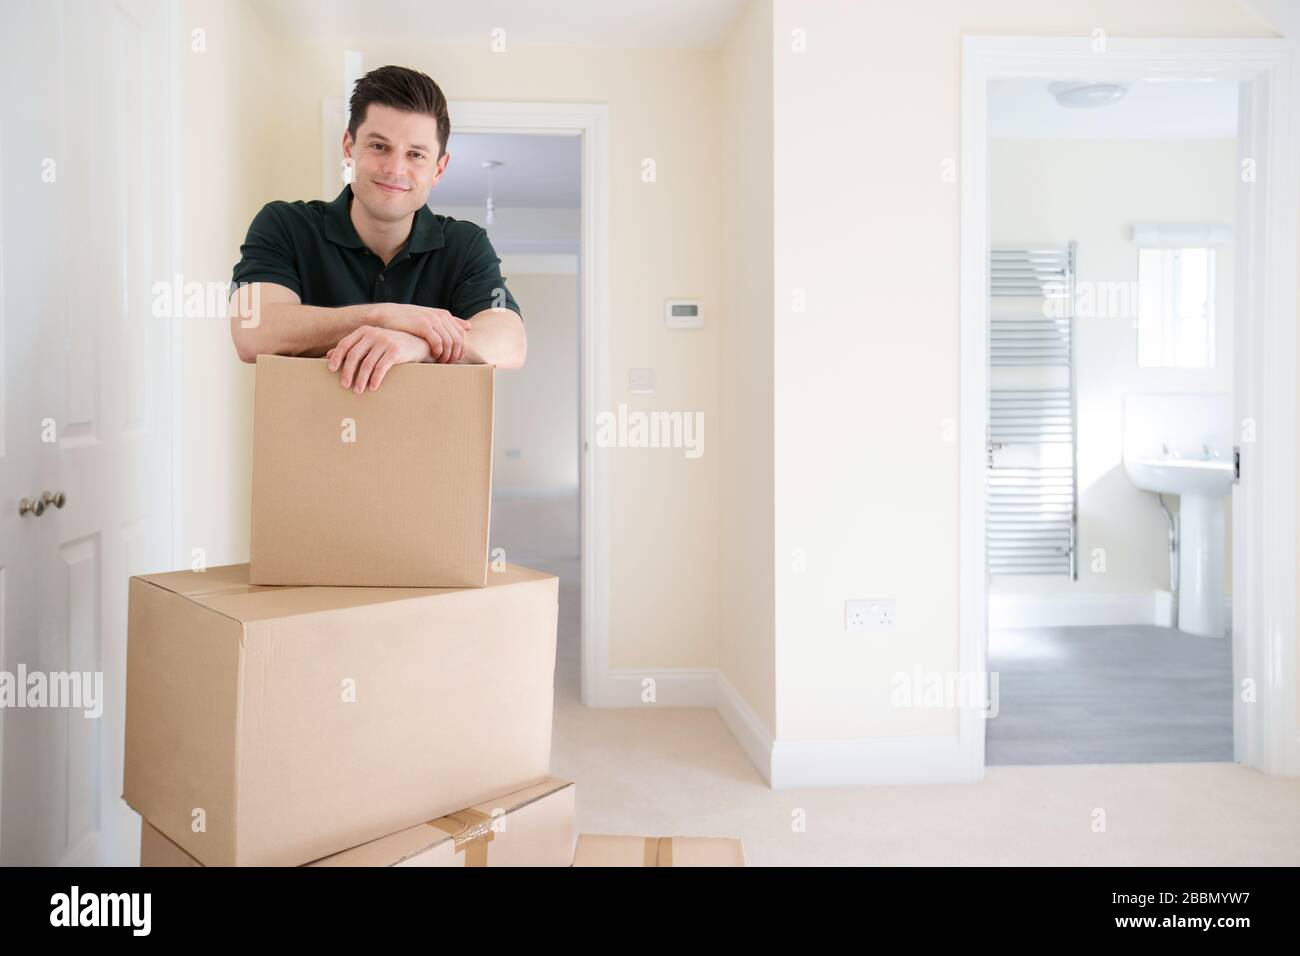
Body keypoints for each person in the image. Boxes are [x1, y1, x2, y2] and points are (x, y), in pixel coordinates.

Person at [229, 65, 525, 392]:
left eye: (416, 154)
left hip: (423, 441)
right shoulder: (284, 225)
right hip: (308, 440)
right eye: (379, 147)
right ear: (348, 147)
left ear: (438, 169)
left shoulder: (465, 244)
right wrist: (386, 316)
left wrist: (417, 345)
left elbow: (510, 341)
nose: (395, 169)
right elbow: (252, 331)